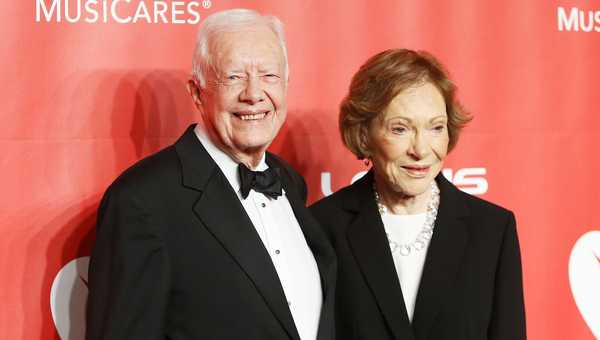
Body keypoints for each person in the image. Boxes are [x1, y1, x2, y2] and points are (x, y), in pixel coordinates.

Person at [86, 9, 336, 340]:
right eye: (233, 77)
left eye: (269, 76)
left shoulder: (289, 181)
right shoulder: (142, 201)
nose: (253, 94)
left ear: (287, 85)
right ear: (197, 92)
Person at [310, 49, 526, 340]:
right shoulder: (323, 226)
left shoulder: (491, 230)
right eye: (400, 129)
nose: (421, 149)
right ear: (363, 135)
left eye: (435, 128)